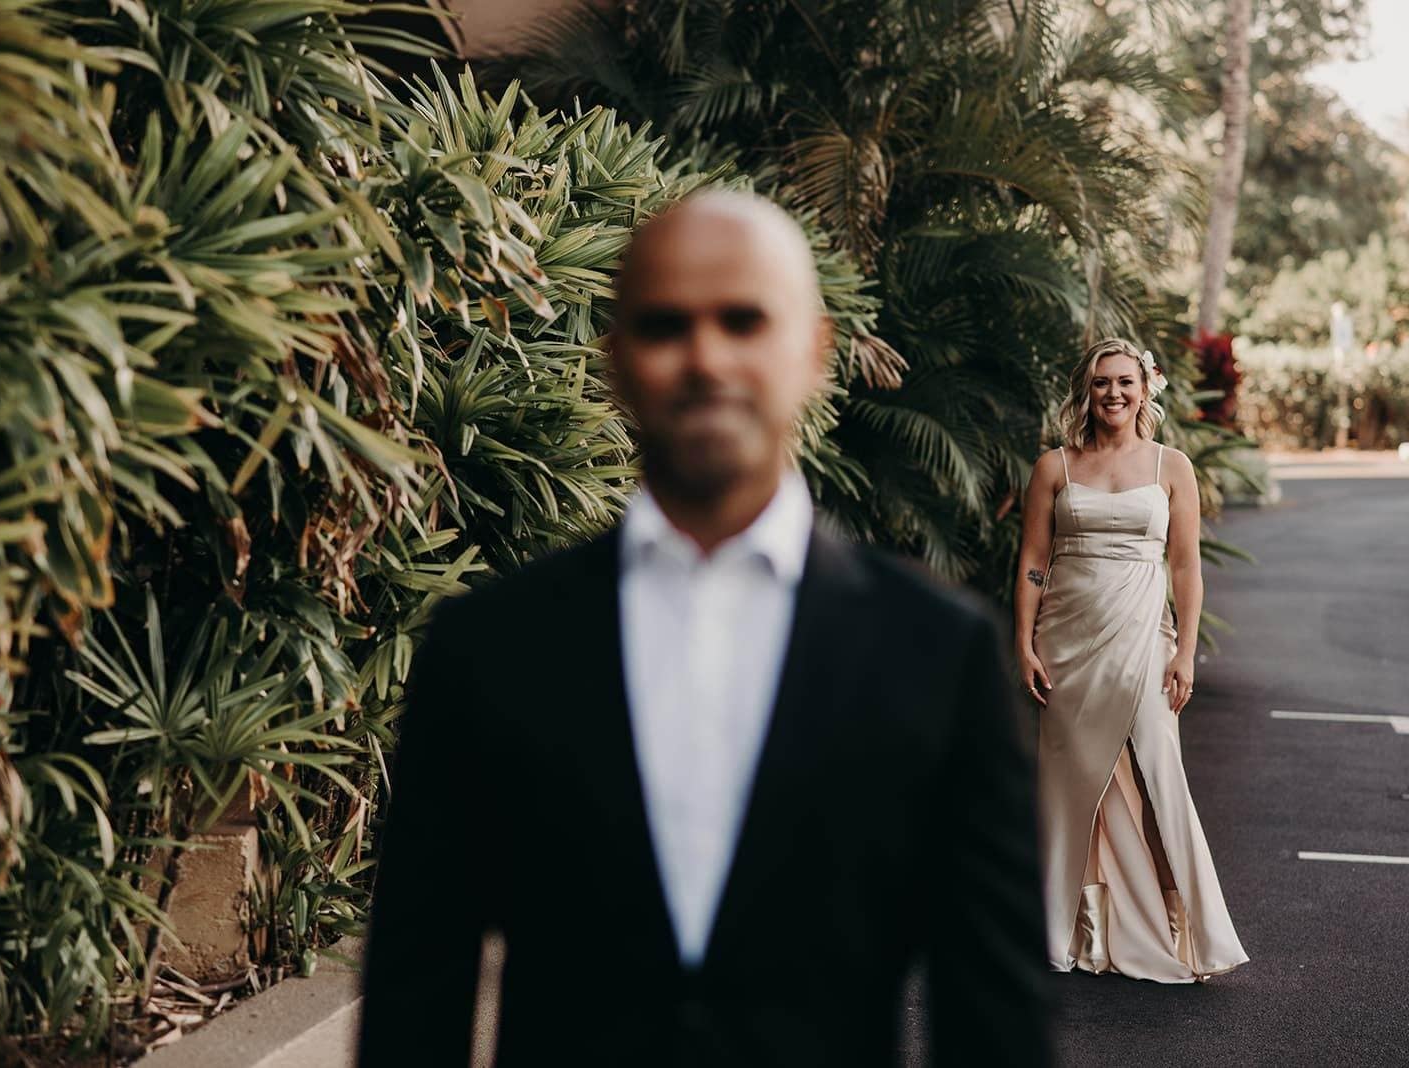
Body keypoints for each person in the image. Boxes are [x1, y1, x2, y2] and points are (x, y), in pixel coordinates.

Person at [359, 191, 1050, 1066]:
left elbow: (994, 1018)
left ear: (813, 352)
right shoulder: (486, 650)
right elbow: (415, 1003)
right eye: (664, 325)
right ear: (615, 361)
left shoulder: (940, 653)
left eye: (743, 320)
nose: (705, 357)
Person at [1013, 338, 1249, 983]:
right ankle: (1084, 933)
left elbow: (1185, 567)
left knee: (1157, 773)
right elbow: (1034, 561)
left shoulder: (1171, 466)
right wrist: (1025, 642)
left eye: (1124, 382)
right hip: (1066, 642)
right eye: (1099, 383)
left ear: (1146, 388)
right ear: (1084, 393)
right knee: (1073, 785)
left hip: (1146, 638)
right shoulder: (1054, 467)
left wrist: (1186, 653)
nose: (1113, 394)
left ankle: (1182, 933)